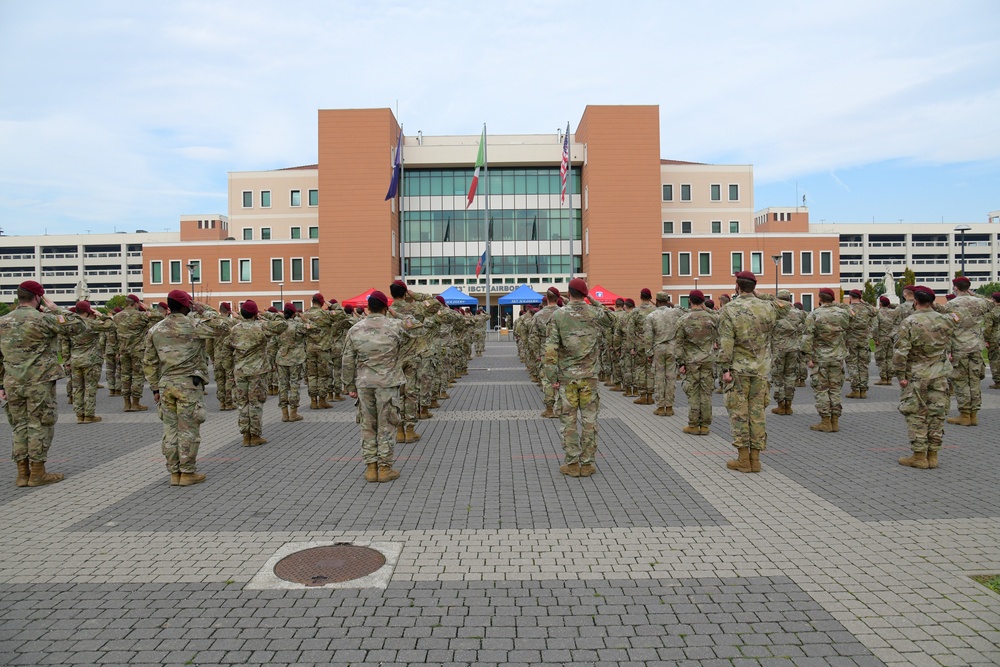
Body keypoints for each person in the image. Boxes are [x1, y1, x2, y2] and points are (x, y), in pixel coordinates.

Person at [0, 280, 84, 487]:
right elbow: (79, 326)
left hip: (12, 382)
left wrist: (1, 384)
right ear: (38, 298)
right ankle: (38, 473)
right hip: (39, 383)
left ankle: (22, 474)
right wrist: (56, 309)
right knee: (39, 425)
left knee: (19, 426)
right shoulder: (44, 319)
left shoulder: (3, 321)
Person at [144, 290, 229, 486]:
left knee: (170, 429)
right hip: (188, 384)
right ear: (186, 306)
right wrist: (205, 309)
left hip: (166, 385)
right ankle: (187, 472)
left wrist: (155, 388)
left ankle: (174, 472)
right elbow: (224, 327)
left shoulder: (155, 329)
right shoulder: (194, 325)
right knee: (188, 429)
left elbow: (149, 362)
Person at [342, 290, 423, 483]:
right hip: (387, 383)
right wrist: (399, 315)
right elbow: (419, 327)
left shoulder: (355, 329)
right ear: (386, 308)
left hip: (364, 383)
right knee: (387, 425)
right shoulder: (395, 325)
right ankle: (384, 468)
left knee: (367, 425)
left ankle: (371, 468)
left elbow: (347, 360)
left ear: (368, 308)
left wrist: (349, 385)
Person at [717, 271, 787, 473]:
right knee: (757, 414)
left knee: (739, 414)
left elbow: (726, 344)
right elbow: (788, 307)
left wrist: (725, 369)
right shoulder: (768, 307)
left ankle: (743, 459)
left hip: (738, 370)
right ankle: (756, 460)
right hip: (761, 370)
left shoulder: (729, 310)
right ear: (754, 286)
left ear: (737, 287)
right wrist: (759, 295)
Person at [543, 278, 613, 478]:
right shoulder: (595, 313)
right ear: (585, 294)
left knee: (569, 421)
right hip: (589, 377)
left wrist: (552, 376)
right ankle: (588, 462)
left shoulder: (558, 315)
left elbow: (550, 349)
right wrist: (594, 301)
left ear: (568, 292)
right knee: (590, 420)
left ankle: (572, 463)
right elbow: (613, 320)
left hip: (567, 378)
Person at [894, 285, 955, 469]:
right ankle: (933, 456)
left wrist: (900, 375)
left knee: (916, 414)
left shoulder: (910, 322)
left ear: (915, 301)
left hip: (917, 375)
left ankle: (919, 456)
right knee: (937, 414)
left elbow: (900, 352)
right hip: (940, 373)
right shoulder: (946, 321)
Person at [228, 300, 288, 446]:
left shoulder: (234, 329)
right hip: (257, 371)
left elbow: (229, 348)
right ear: (255, 313)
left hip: (240, 371)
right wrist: (265, 316)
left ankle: (245, 436)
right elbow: (283, 324)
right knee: (255, 403)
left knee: (243, 403)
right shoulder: (261, 327)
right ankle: (255, 435)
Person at [942, 276, 993, 426]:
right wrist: (973, 294)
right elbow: (992, 304)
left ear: (955, 287)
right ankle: (974, 414)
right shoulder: (980, 303)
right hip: (976, 346)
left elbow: (948, 328)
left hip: (959, 348)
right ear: (968, 287)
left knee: (961, 381)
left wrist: (948, 350)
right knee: (974, 380)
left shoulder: (950, 305)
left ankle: (964, 414)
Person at [802, 287, 851, 433]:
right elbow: (848, 330)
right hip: (837, 357)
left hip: (820, 358)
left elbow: (807, 337)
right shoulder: (843, 314)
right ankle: (835, 421)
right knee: (835, 389)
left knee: (822, 390)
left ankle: (825, 421)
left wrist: (807, 357)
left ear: (820, 299)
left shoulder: (814, 314)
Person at [676, 290, 719, 434]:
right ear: (703, 301)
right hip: (708, 359)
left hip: (691, 361)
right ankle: (705, 425)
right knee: (706, 392)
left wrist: (680, 363)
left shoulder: (684, 319)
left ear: (690, 301)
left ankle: (693, 424)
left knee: (693, 392)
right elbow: (719, 338)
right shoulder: (712, 318)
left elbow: (678, 344)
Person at [69, 300, 115, 424]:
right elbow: (111, 325)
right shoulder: (91, 324)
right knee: (90, 387)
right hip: (90, 360)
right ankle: (89, 415)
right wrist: (101, 315)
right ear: (87, 311)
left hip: (75, 359)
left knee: (78, 388)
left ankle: (79, 415)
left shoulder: (70, 324)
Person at [644, 291, 682, 416]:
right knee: (671, 378)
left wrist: (648, 353)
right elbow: (686, 311)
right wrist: (674, 305)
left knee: (659, 377)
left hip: (658, 348)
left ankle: (660, 406)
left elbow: (648, 337)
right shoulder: (675, 312)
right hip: (672, 347)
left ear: (657, 300)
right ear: (667, 300)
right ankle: (670, 406)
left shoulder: (651, 316)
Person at [770, 290, 806, 415]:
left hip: (778, 349)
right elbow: (805, 326)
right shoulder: (799, 313)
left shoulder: (774, 313)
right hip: (793, 348)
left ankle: (780, 404)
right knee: (790, 376)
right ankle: (789, 404)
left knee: (778, 376)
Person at [113, 294, 151, 412]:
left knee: (125, 376)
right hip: (137, 350)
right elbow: (158, 316)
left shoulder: (117, 316)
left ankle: (126, 404)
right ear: (136, 303)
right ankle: (135, 403)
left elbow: (113, 335)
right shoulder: (140, 315)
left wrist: (116, 351)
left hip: (123, 350)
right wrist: (148, 308)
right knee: (138, 376)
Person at [275, 302, 309, 423]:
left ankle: (284, 413)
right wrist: (304, 319)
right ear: (294, 313)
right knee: (294, 384)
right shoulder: (298, 325)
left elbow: (274, 342)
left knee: (282, 385)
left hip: (281, 358)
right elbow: (313, 329)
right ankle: (293, 412)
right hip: (295, 359)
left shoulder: (279, 326)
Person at [531, 287, 562, 418]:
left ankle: (550, 409)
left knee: (548, 380)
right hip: (563, 352)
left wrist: (537, 353)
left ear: (546, 298)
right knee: (563, 379)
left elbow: (533, 337)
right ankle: (562, 407)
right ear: (558, 299)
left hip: (545, 351)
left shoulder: (538, 315)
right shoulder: (563, 313)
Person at [845, 289, 877, 399]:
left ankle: (855, 389)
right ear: (860, 297)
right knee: (863, 365)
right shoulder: (867, 308)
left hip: (851, 340)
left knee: (853, 364)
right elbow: (876, 311)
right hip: (864, 340)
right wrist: (865, 303)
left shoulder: (848, 309)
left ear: (850, 297)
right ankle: (863, 390)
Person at [626, 288, 656, 404]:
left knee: (640, 369)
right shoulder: (655, 310)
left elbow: (630, 330)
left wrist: (631, 347)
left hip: (639, 345)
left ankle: (643, 394)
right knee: (650, 370)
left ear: (640, 296)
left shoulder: (635, 311)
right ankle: (650, 395)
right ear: (650, 297)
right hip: (652, 345)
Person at [212, 302, 237, 411]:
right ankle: (228, 402)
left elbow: (209, 343)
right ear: (229, 311)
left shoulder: (214, 323)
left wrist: (211, 356)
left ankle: (221, 402)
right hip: (228, 356)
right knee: (229, 379)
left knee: (219, 379)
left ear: (220, 310)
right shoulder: (232, 322)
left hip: (217, 355)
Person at [872, 295, 899, 385]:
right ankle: (889, 378)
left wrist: (875, 338)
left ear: (880, 304)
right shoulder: (894, 312)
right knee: (889, 358)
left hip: (881, 337)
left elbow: (875, 327)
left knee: (881, 359)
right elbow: (898, 307)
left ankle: (883, 378)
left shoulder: (878, 313)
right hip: (891, 337)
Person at [985, 292, 1000, 389]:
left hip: (995, 339)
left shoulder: (991, 313)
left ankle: (998, 381)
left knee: (995, 360)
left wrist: (985, 339)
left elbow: (987, 328)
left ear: (993, 300)